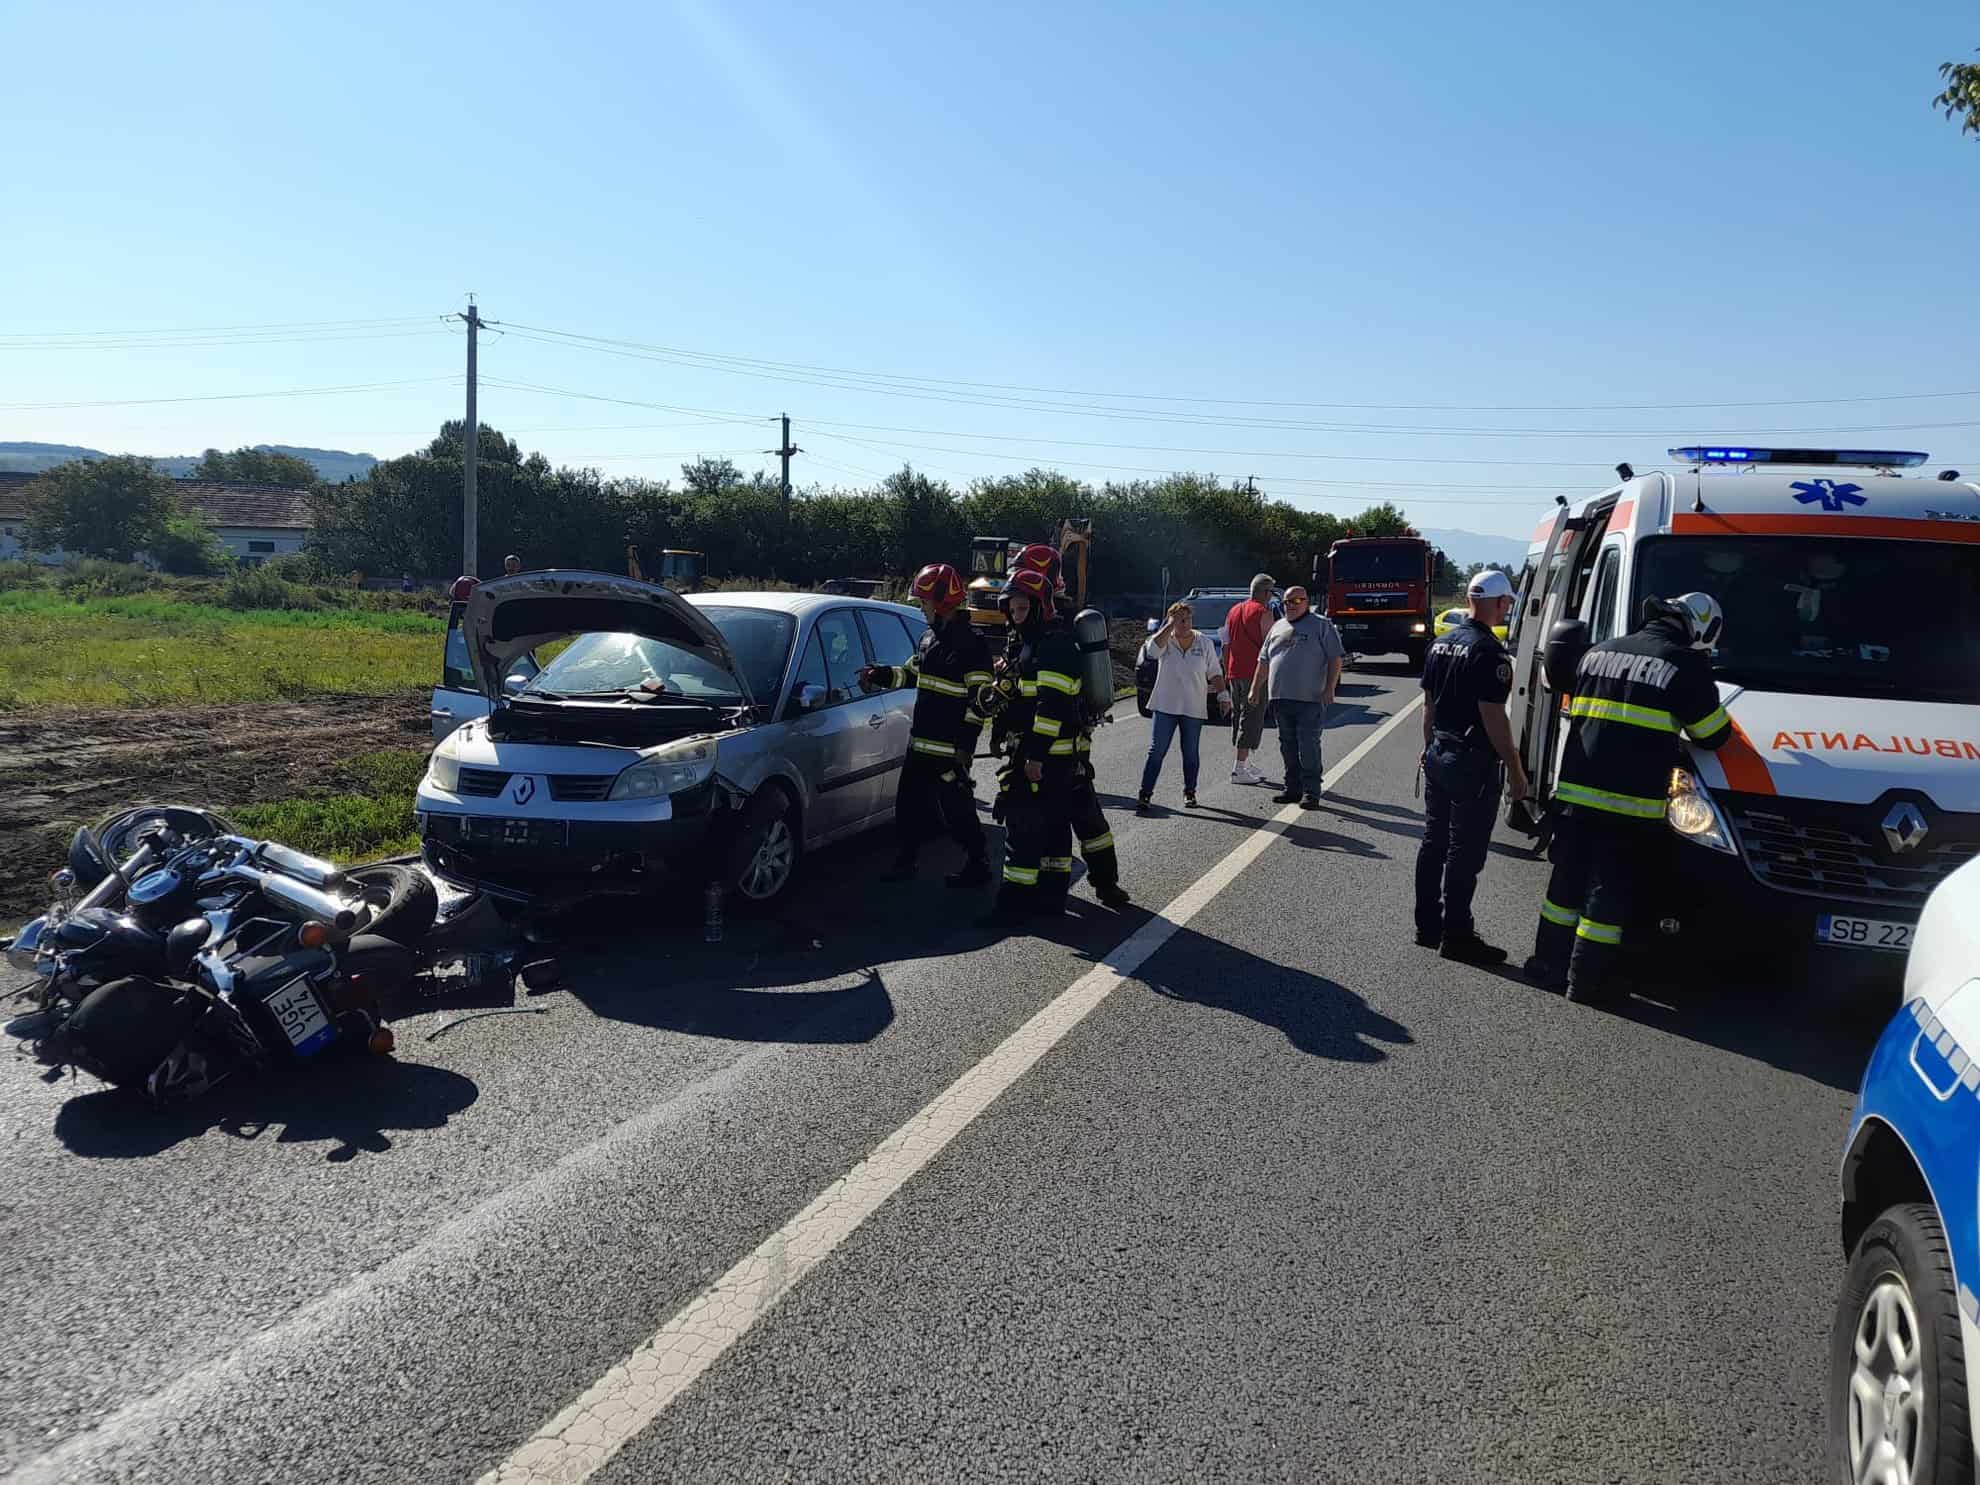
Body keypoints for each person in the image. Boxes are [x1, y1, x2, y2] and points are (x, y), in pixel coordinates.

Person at [1525, 591, 1732, 1003]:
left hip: (1574, 798)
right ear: (1699, 629)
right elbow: (1713, 735)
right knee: (1607, 895)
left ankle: (1546, 965)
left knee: (1563, 888)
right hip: (1629, 805)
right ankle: (1586, 982)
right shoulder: (1684, 665)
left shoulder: (1599, 651)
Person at [985, 568, 1127, 923]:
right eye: (1012, 610)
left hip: (1052, 757)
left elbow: (1051, 707)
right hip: (1045, 757)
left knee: (1029, 829)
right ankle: (1050, 901)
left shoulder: (1055, 646)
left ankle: (1013, 907)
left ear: (1038, 607)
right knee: (1058, 830)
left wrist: (1034, 755)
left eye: (1021, 609)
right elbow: (1021, 699)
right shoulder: (1029, 645)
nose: (1015, 617)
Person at [1414, 569, 1532, 966]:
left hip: (1439, 753)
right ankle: (1458, 934)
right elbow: (1493, 718)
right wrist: (1515, 770)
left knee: (1434, 841)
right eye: (1507, 604)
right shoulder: (1489, 652)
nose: (1507, 610)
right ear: (1498, 603)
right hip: (1471, 760)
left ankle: (1427, 925)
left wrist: (1428, 748)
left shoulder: (1440, 644)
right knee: (1465, 852)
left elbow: (1428, 708)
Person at [860, 562, 995, 887]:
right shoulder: (928, 639)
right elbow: (912, 674)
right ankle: (906, 862)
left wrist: (965, 746)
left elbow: (981, 702)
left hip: (949, 750)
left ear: (942, 603)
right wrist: (880, 675)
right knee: (908, 806)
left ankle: (978, 864)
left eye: (924, 603)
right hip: (920, 743)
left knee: (957, 811)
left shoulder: (972, 645)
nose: (921, 609)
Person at [1248, 585, 1344, 808]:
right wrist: (1255, 688)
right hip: (1281, 698)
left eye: (1295, 601)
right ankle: (1292, 788)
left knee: (1308, 745)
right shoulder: (1277, 627)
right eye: (1286, 602)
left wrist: (1330, 687)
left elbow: (1335, 658)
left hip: (1310, 699)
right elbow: (1263, 661)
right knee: (1287, 745)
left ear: (1306, 601)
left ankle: (1311, 791)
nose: (1290, 605)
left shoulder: (1322, 625)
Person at [1136, 600, 1226, 813]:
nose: (1184, 624)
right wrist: (1169, 626)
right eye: (1180, 620)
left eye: (1187, 619)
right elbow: (1152, 653)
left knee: (1190, 752)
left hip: (1193, 708)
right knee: (1156, 750)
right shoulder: (1164, 640)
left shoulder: (1203, 641)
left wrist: (1223, 695)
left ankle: (1190, 792)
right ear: (1171, 621)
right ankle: (1145, 794)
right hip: (1165, 706)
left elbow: (1214, 671)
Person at [1218, 573, 1277, 785]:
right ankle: (1239, 768)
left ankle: (1245, 761)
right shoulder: (1264, 612)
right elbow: (1270, 646)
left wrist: (1227, 669)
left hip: (1234, 671)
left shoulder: (1234, 610)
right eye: (1271, 592)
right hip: (1255, 674)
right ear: (1266, 592)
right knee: (1252, 717)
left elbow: (1225, 642)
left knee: (1239, 717)